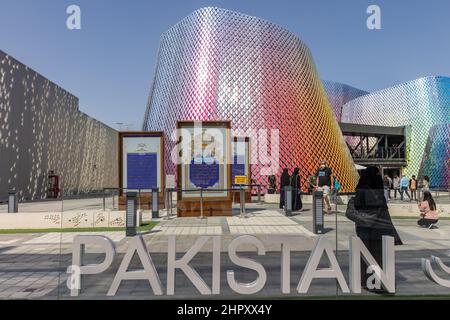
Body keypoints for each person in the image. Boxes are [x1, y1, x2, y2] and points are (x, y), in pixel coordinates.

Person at [351, 166, 403, 292]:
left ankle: (371, 282)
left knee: (369, 255)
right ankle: (380, 282)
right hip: (380, 228)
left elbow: (362, 209)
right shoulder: (376, 190)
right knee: (379, 257)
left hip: (368, 228)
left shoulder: (363, 189)